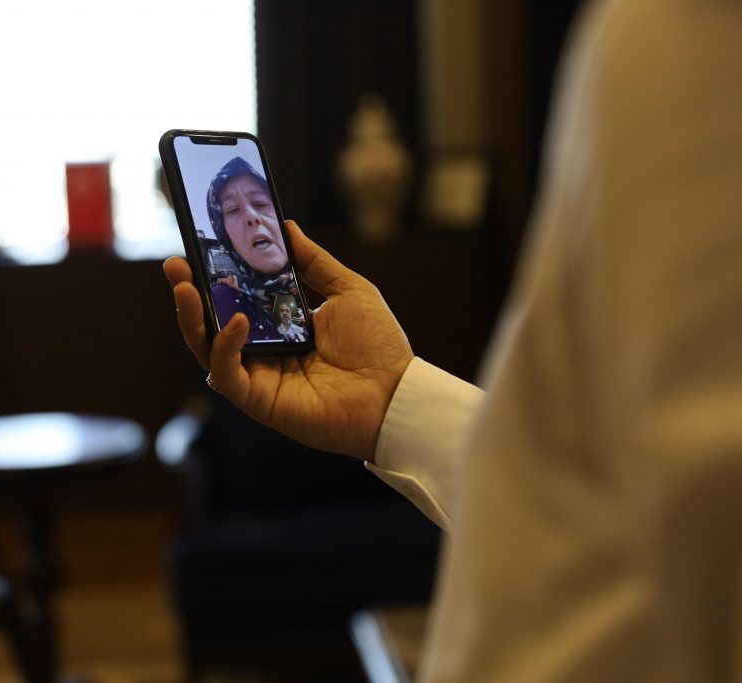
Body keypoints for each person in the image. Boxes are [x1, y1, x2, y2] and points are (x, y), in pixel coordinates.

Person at [163, 0, 742, 679]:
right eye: (233, 211)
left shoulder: (688, 36)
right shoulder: (665, 35)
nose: (255, 219)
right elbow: (593, 497)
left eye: (260, 202)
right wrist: (393, 399)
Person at [205, 156, 301, 342]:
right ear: (226, 237)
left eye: (260, 203)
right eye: (233, 209)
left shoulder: (313, 283)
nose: (251, 216)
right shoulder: (223, 299)